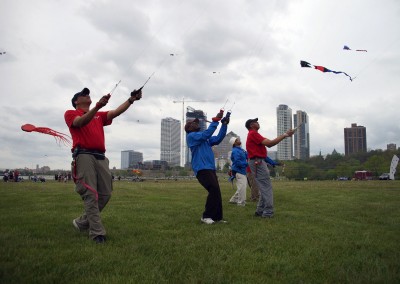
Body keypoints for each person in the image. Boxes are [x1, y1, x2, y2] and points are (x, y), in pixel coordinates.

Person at [65, 86, 142, 243]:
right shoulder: (71, 113)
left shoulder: (99, 116)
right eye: (83, 94)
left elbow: (115, 112)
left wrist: (131, 100)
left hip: (101, 157)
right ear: (76, 101)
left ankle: (81, 222)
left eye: (87, 94)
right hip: (84, 155)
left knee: (105, 194)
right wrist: (97, 106)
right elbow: (80, 122)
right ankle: (97, 233)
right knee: (90, 194)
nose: (87, 95)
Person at [185, 110, 229, 224]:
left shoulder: (204, 139)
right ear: (188, 128)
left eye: (196, 122)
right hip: (201, 168)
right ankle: (206, 216)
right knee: (213, 189)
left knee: (216, 192)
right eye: (193, 123)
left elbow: (218, 138)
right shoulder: (191, 136)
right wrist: (215, 121)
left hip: (209, 168)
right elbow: (206, 134)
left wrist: (224, 125)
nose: (196, 123)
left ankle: (217, 218)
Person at [245, 118, 294, 218]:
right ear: (251, 125)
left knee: (264, 187)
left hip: (257, 161)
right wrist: (285, 135)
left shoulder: (253, 134)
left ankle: (260, 210)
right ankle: (268, 212)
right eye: (255, 122)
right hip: (257, 162)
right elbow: (270, 143)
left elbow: (268, 144)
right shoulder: (253, 133)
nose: (258, 123)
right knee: (266, 187)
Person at [228, 136, 248, 206]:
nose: (239, 140)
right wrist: (246, 164)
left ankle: (234, 199)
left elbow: (247, 155)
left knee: (242, 186)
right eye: (237, 140)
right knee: (242, 187)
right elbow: (237, 162)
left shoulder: (241, 150)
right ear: (234, 143)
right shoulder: (235, 151)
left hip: (241, 170)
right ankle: (241, 203)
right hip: (239, 171)